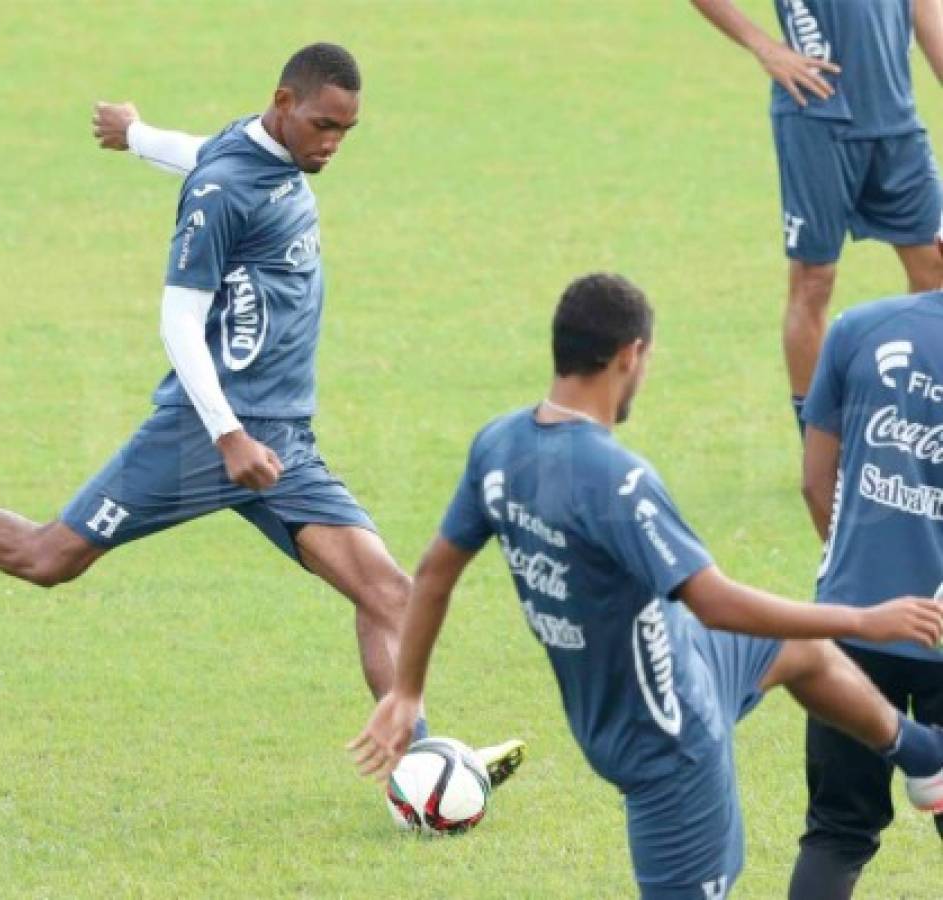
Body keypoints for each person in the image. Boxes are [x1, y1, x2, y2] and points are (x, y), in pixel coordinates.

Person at [0, 43, 522, 783]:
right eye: (325, 125)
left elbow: (204, 152)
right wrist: (227, 433)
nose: (333, 144)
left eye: (347, 132)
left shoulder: (256, 153)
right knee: (49, 559)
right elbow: (177, 318)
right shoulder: (225, 191)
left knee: (385, 591)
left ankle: (423, 764)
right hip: (205, 436)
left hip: (282, 440)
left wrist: (136, 136)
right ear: (285, 102)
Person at [349, 273, 943, 898]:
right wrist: (862, 620)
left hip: (675, 655)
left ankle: (921, 754)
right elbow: (712, 601)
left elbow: (437, 572)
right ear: (631, 355)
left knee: (798, 651)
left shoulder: (500, 446)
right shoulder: (618, 481)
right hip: (667, 736)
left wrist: (408, 692)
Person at [690, 0, 943, 435]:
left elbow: (927, 9)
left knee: (935, 270)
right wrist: (764, 47)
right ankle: (820, 440)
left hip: (897, 122)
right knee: (813, 281)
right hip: (818, 117)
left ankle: (917, 421)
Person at [791, 283, 943, 896]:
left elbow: (813, 480)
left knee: (836, 832)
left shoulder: (859, 328)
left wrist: (857, 571)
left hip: (851, 628)